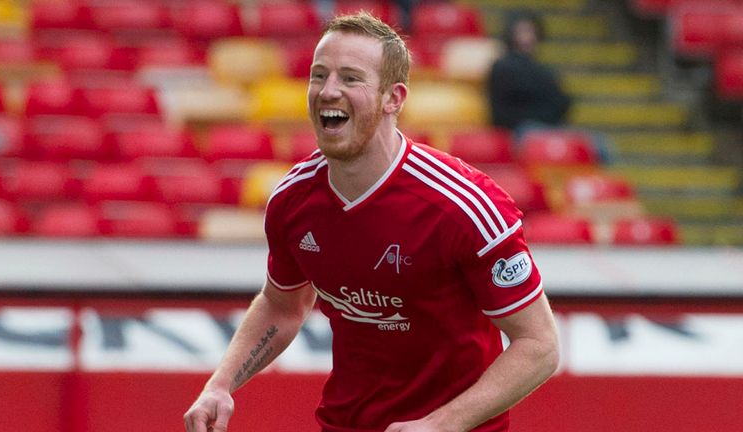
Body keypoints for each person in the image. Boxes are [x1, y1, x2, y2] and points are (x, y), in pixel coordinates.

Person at [184, 12, 559, 432]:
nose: (328, 91)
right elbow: (282, 304)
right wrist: (221, 384)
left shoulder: (466, 206)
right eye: (318, 75)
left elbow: (539, 344)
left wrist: (439, 425)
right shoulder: (291, 201)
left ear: (393, 98)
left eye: (349, 78)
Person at [488, 13, 571, 133]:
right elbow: (503, 111)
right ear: (511, 34)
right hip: (518, 130)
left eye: (532, 31)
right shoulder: (503, 67)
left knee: (593, 141)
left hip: (548, 126)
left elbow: (562, 102)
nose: (528, 37)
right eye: (523, 31)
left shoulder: (542, 69)